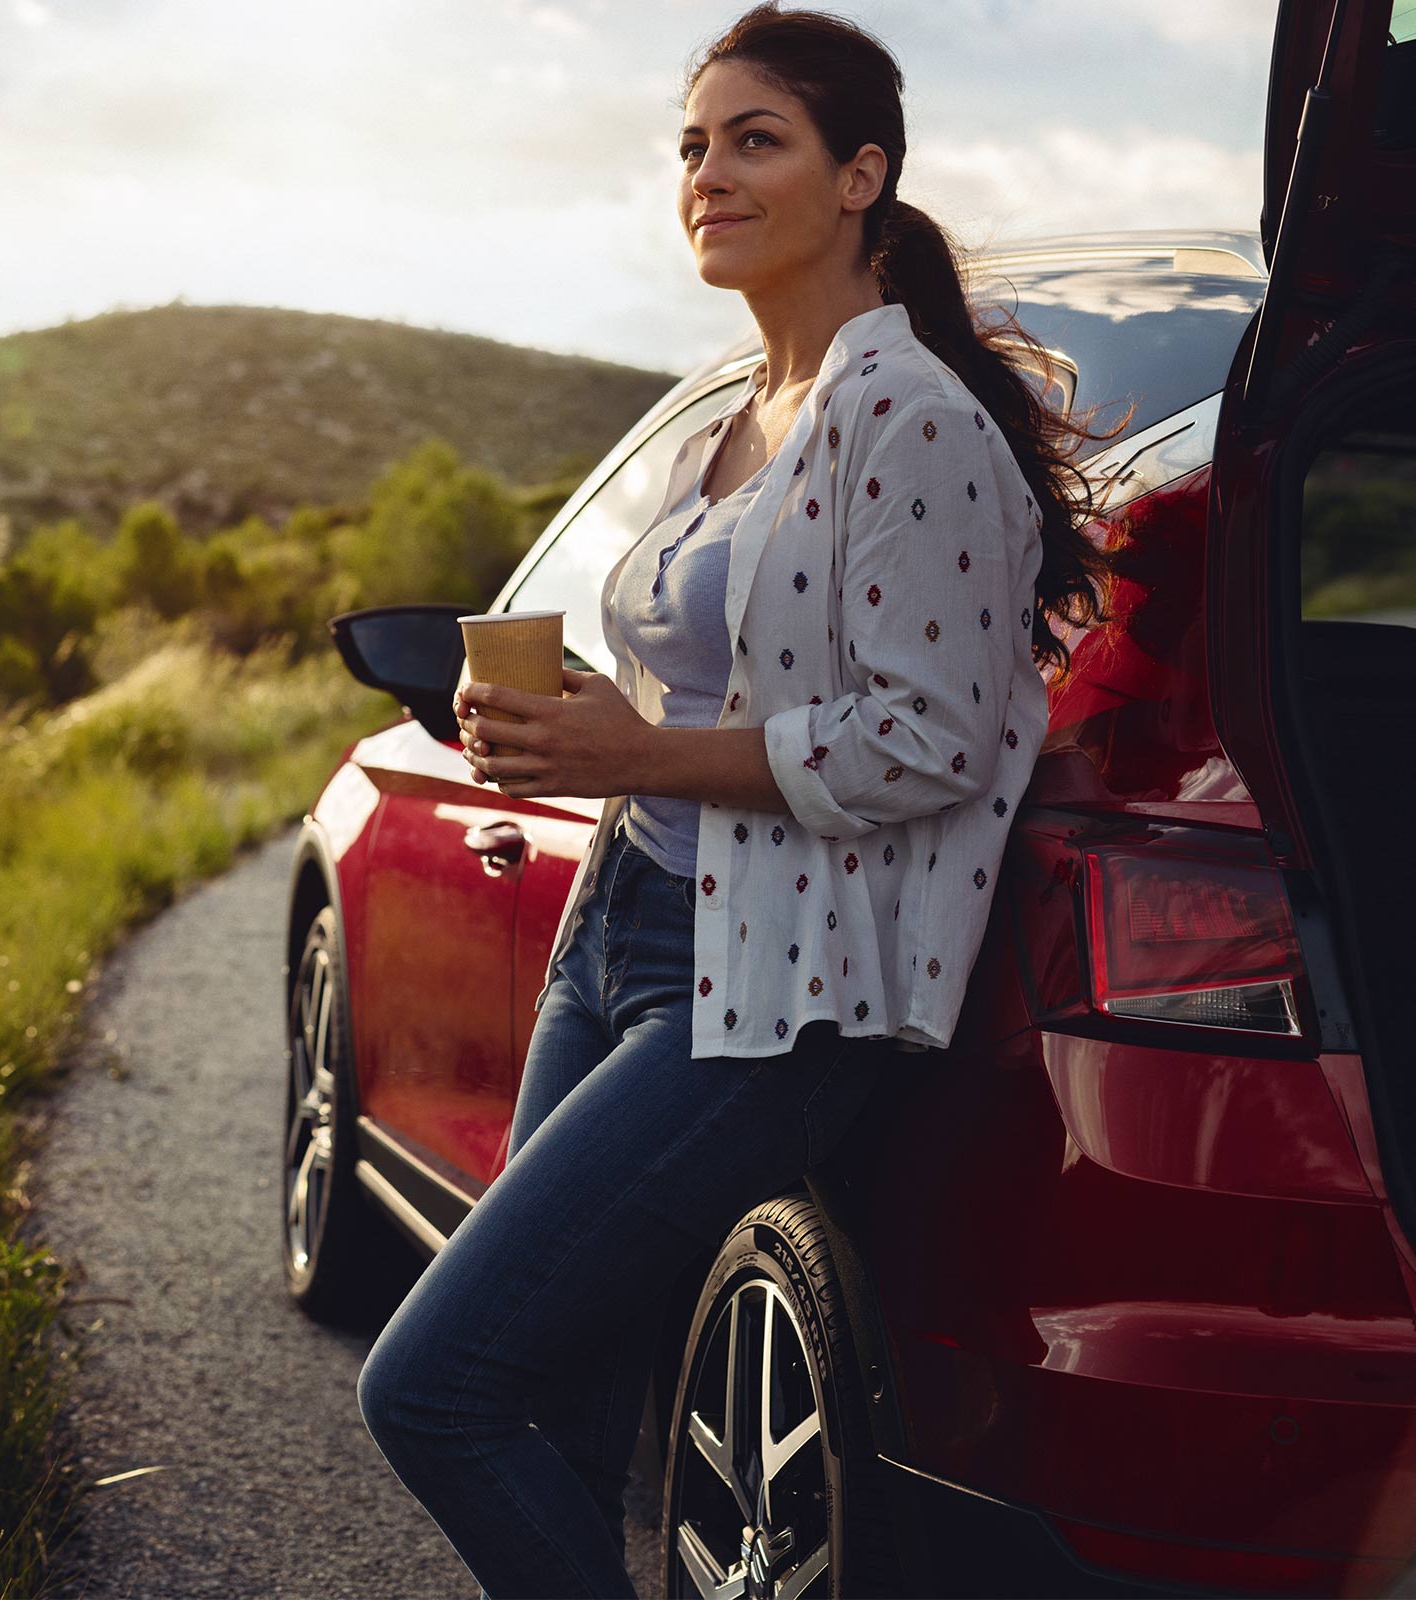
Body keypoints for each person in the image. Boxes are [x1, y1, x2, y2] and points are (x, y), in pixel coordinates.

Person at [349, 6, 1122, 1595]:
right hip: (624, 919)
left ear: (862, 177)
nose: (707, 174)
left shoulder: (915, 419)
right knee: (557, 1416)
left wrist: (634, 755)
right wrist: (592, 730)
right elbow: (730, 693)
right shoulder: (732, 422)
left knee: (433, 1384)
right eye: (692, 146)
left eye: (753, 140)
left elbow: (930, 741)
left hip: (776, 986)